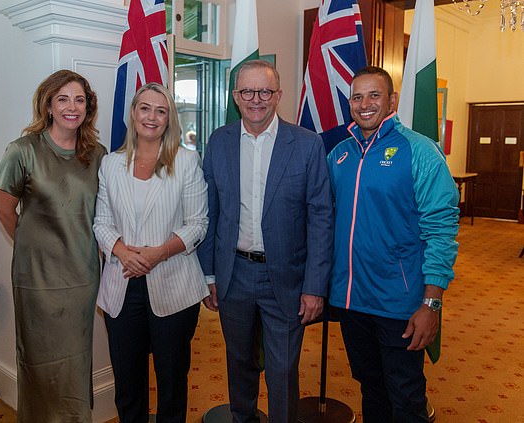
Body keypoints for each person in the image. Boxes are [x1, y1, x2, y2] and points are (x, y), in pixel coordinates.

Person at [198, 60, 334, 423]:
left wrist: (315, 287)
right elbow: (210, 212)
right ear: (235, 96)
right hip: (233, 275)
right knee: (239, 361)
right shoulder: (219, 140)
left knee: (282, 370)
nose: (255, 99)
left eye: (264, 91)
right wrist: (209, 275)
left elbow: (321, 219)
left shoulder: (307, 144)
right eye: (247, 91)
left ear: (278, 95)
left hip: (287, 280)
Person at [326, 66, 459, 423]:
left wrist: (431, 303)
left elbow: (442, 229)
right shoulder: (338, 155)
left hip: (399, 302)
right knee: (370, 387)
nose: (364, 104)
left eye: (374, 95)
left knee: (405, 395)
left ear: (392, 101)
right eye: (357, 96)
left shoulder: (419, 151)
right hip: (351, 300)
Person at [0, 69, 106, 423]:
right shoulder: (22, 151)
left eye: (79, 99)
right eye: (63, 99)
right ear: (49, 105)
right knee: (38, 358)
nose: (72, 107)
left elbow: (101, 214)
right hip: (36, 279)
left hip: (82, 276)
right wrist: (35, 247)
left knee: (75, 358)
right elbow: (4, 208)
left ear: (88, 107)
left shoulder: (97, 155)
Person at [93, 82, 208, 423]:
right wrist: (122, 252)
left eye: (161, 111)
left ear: (169, 118)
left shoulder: (186, 161)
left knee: (172, 382)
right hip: (122, 284)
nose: (152, 117)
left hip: (174, 286)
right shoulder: (110, 164)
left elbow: (198, 223)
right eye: (145, 108)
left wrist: (158, 253)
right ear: (133, 113)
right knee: (128, 384)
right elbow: (101, 221)